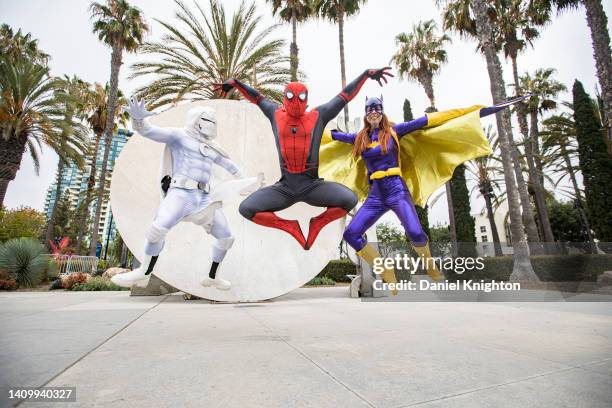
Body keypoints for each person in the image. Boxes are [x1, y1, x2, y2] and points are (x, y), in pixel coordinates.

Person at [321, 95, 527, 281]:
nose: (373, 112)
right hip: (376, 195)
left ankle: (430, 266)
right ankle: (384, 269)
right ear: (366, 114)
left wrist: (485, 109)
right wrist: (298, 131)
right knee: (351, 234)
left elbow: (435, 119)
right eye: (369, 109)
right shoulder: (359, 139)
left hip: (396, 190)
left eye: (377, 108)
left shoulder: (394, 131)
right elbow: (329, 135)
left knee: (416, 233)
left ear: (382, 111)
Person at [213, 68, 393, 249]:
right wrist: (236, 82)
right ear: (284, 97)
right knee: (247, 209)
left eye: (301, 97)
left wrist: (365, 75)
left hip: (312, 186)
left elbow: (344, 96)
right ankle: (290, 227)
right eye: (290, 96)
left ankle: (318, 223)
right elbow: (257, 97)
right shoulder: (275, 113)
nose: (296, 101)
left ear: (307, 99)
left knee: (349, 199)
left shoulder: (318, 116)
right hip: (285, 188)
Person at [112, 98, 254, 290]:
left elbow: (229, 165)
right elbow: (148, 131)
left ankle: (213, 276)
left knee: (226, 237)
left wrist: (245, 182)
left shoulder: (212, 147)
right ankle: (144, 272)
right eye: (208, 120)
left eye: (214, 121)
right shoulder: (179, 136)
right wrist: (138, 120)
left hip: (204, 199)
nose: (212, 125)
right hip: (180, 195)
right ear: (197, 120)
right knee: (157, 230)